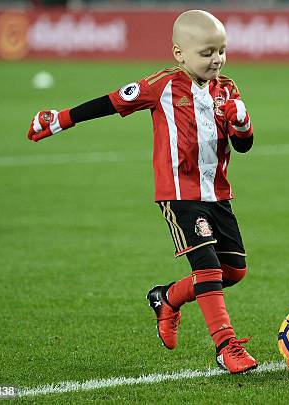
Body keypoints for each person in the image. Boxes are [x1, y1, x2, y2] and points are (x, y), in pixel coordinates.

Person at [26, 10, 258, 374]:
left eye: (221, 51)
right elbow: (111, 101)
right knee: (209, 269)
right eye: (207, 52)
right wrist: (60, 119)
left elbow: (242, 146)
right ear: (179, 54)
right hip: (179, 194)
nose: (216, 59)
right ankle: (226, 346)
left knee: (234, 270)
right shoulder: (161, 85)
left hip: (218, 194)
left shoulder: (227, 89)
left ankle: (166, 298)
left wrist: (242, 122)